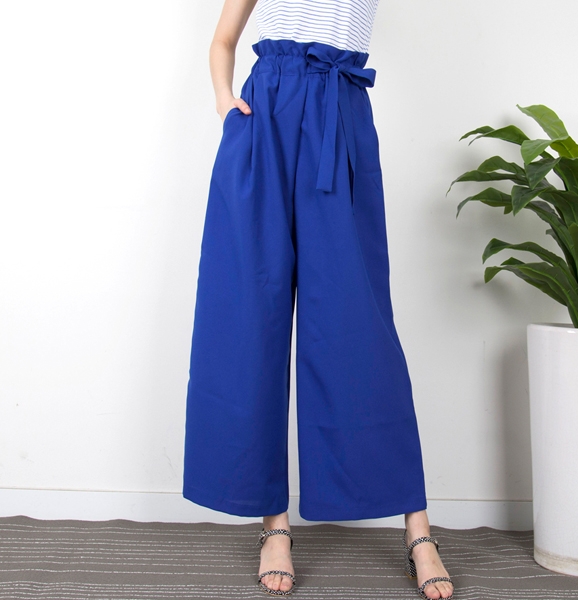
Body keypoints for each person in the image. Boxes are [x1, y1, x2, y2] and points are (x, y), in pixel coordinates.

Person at [182, 1, 454, 598]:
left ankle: (417, 529)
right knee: (252, 316)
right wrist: (226, 103)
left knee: (360, 326)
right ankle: (274, 526)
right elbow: (223, 40)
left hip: (340, 115)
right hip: (265, 120)